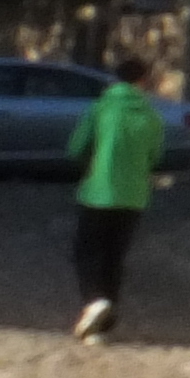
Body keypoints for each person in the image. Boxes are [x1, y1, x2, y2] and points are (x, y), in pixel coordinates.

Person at [65, 62, 169, 342]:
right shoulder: (152, 117)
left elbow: (76, 147)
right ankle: (102, 323)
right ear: (143, 81)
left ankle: (95, 301)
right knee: (114, 257)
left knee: (87, 252)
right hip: (134, 197)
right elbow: (154, 158)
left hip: (98, 193)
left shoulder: (100, 109)